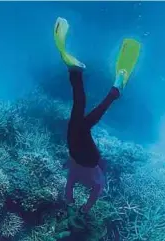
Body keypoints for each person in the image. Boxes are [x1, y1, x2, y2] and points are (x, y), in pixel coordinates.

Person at [54, 17, 140, 213]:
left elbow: (73, 186)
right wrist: (82, 207)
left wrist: (74, 200)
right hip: (79, 153)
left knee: (80, 114)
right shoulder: (96, 178)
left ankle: (81, 75)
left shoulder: (89, 175)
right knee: (81, 120)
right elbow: (80, 187)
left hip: (79, 154)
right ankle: (96, 84)